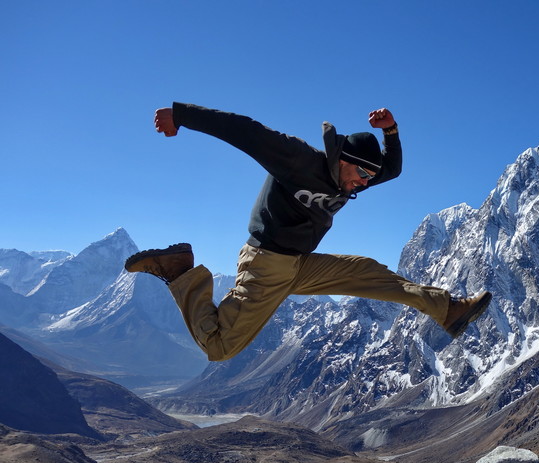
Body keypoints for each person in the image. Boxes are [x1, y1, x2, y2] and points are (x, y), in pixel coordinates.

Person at [125, 103, 491, 362]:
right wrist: (183, 115)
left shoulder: (352, 180)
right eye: (361, 175)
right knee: (219, 349)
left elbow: (390, 170)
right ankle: (180, 270)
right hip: (266, 262)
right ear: (343, 160)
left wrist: (391, 132)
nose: (362, 185)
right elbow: (247, 132)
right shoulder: (299, 161)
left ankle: (449, 310)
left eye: (367, 179)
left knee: (370, 272)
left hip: (299, 264)